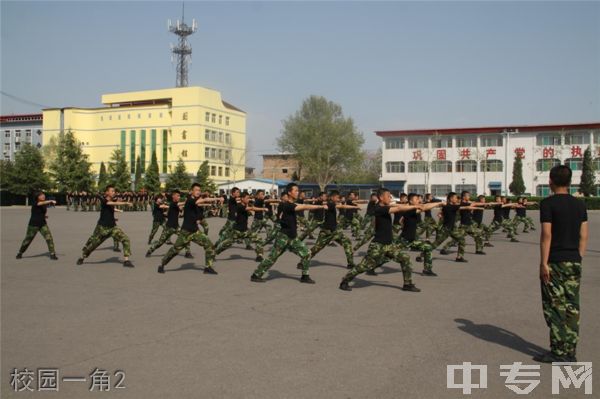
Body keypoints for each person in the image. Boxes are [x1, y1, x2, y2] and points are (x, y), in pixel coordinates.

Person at [534, 165, 588, 363]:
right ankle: (570, 351)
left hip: (555, 261)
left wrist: (543, 263)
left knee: (555, 306)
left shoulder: (548, 204)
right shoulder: (579, 204)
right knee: (572, 306)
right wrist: (578, 256)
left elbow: (546, 235)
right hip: (574, 261)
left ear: (550, 181)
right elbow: (584, 235)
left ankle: (558, 351)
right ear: (570, 182)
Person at [339, 188, 421, 292]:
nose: (390, 198)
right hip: (378, 245)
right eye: (388, 196)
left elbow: (396, 206)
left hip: (388, 245)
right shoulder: (378, 208)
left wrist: (411, 206)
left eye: (390, 196)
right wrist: (414, 206)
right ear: (381, 197)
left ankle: (407, 284)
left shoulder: (385, 206)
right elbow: (398, 209)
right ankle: (345, 280)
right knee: (364, 266)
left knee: (405, 258)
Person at [251, 183, 328, 284]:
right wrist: (320, 207)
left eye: (298, 190)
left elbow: (300, 205)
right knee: (272, 258)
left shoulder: (291, 204)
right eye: (295, 190)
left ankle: (305, 276)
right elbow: (304, 206)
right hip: (283, 237)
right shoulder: (286, 205)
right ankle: (256, 274)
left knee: (307, 253)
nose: (297, 192)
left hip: (292, 238)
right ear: (289, 192)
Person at [158, 184, 222, 274]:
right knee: (175, 250)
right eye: (196, 190)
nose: (198, 192)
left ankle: (208, 267)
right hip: (186, 232)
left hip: (195, 231)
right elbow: (204, 200)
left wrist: (198, 219)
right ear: (191, 191)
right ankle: (162, 264)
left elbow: (199, 209)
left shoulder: (195, 201)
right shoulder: (190, 200)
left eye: (199, 190)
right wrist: (217, 199)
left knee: (209, 246)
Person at [77, 185, 134, 267]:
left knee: (125, 239)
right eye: (112, 191)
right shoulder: (104, 200)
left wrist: (113, 218)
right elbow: (111, 203)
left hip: (113, 227)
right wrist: (125, 203)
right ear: (107, 192)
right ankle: (82, 257)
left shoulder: (112, 200)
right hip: (103, 228)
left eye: (114, 191)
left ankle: (126, 261)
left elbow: (111, 208)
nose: (114, 192)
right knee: (93, 245)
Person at [302, 190, 360, 270]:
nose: (338, 199)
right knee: (316, 249)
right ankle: (303, 262)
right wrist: (355, 207)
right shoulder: (331, 204)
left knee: (347, 242)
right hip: (327, 232)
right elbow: (342, 206)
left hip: (335, 231)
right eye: (337, 197)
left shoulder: (330, 203)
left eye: (339, 197)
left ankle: (350, 263)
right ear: (332, 197)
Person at [396, 193, 443, 276]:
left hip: (412, 239)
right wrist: (439, 203)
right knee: (388, 255)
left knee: (428, 248)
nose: (418, 200)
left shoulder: (413, 208)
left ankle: (427, 270)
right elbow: (424, 207)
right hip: (404, 240)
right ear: (410, 201)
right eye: (416, 199)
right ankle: (371, 266)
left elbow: (425, 205)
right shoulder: (410, 209)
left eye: (418, 199)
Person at [431, 192, 484, 263]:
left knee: (462, 240)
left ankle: (459, 257)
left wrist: (441, 213)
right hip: (446, 229)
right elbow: (466, 207)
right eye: (455, 198)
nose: (456, 199)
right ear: (451, 198)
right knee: (435, 244)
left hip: (452, 229)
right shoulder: (452, 206)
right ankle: (421, 255)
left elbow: (444, 211)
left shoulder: (447, 206)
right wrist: (478, 208)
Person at [214, 191, 267, 262]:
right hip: (237, 231)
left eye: (249, 198)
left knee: (259, 239)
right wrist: (263, 209)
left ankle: (259, 256)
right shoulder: (239, 206)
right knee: (225, 245)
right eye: (247, 198)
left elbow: (249, 208)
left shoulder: (245, 205)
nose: (248, 200)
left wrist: (249, 203)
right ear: (242, 199)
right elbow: (251, 208)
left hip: (245, 231)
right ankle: (213, 254)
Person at [146, 190, 192, 258]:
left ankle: (188, 253)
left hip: (176, 227)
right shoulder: (173, 203)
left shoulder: (175, 204)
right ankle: (150, 250)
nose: (179, 197)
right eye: (178, 196)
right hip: (168, 228)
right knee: (160, 243)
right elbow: (179, 204)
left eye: (179, 196)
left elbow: (180, 209)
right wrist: (187, 201)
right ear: (173, 196)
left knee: (186, 237)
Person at [16, 191, 58, 260]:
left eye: (43, 195)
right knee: (28, 240)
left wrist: (44, 216)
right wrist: (50, 200)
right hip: (33, 225)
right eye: (40, 195)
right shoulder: (35, 203)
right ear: (37, 197)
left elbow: (40, 211)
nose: (43, 196)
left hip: (43, 224)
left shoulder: (44, 204)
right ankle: (20, 252)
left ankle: (52, 254)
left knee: (49, 238)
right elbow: (40, 204)